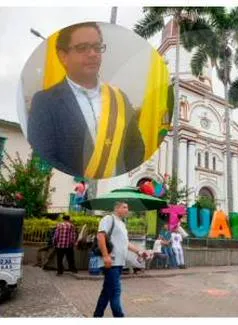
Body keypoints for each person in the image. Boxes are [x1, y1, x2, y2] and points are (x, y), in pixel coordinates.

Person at [28, 22, 144, 178]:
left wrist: (114, 179)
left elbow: (136, 148)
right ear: (63, 56)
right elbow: (45, 155)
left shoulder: (119, 98)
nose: (92, 54)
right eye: (82, 48)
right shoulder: (45, 101)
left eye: (97, 47)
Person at [93, 201, 145, 317]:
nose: (127, 210)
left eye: (128, 207)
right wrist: (106, 256)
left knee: (106, 292)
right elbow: (100, 236)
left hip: (119, 263)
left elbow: (125, 243)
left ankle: (97, 316)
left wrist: (139, 251)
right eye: (124, 207)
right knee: (116, 292)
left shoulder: (122, 223)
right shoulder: (108, 218)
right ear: (117, 208)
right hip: (111, 262)